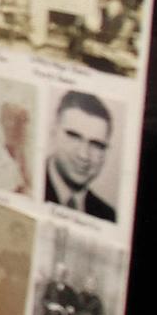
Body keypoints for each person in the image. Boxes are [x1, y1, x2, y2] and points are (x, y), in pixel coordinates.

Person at [44, 91, 116, 221]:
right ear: (53, 133)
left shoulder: (108, 215)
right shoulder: (23, 187)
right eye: (74, 137)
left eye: (96, 144)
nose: (84, 155)